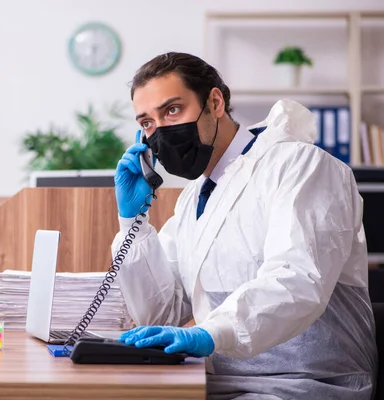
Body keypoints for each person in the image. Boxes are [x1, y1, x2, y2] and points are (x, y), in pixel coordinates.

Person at [112, 52, 377, 399]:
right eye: (147, 123)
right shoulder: (194, 197)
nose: (160, 131)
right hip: (222, 383)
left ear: (215, 102)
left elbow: (298, 280)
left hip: (307, 383)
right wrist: (134, 222)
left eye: (172, 110)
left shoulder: (301, 165)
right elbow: (162, 311)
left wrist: (210, 334)